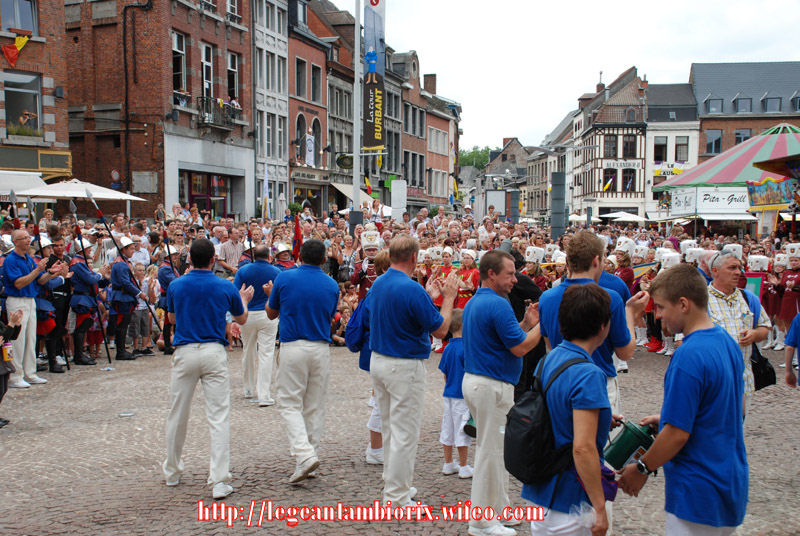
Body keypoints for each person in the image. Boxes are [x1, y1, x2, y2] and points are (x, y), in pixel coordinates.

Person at [619, 264, 748, 536]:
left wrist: (641, 468)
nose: (658, 315)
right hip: (729, 481)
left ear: (683, 304)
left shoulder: (688, 355)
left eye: (661, 307)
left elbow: (677, 434)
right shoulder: (727, 342)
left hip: (697, 490)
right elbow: (737, 408)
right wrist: (668, 418)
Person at [368, 234, 459, 507]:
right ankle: (396, 497)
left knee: (390, 428)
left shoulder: (380, 282)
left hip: (380, 360)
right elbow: (441, 330)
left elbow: (404, 312)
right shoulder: (410, 288)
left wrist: (428, 297)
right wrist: (448, 298)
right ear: (414, 257)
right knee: (404, 432)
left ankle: (395, 484)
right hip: (403, 365)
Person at [163, 238, 254, 500]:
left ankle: (172, 471)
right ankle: (219, 479)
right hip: (214, 350)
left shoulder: (176, 284)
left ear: (190, 259)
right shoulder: (224, 286)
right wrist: (244, 299)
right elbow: (241, 318)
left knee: (177, 413)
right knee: (218, 416)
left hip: (185, 349)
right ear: (213, 260)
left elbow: (171, 318)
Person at [521, 284, 615, 536]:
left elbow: (556, 410)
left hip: (542, 487)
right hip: (569, 496)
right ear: (602, 326)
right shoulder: (589, 373)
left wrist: (600, 417)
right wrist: (600, 507)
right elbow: (583, 448)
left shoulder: (549, 359)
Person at [462, 249, 542, 536]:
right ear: (491, 274)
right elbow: (520, 347)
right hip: (490, 385)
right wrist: (543, 326)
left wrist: (527, 325)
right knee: (490, 453)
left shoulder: (477, 301)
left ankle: (499, 510)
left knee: (495, 451)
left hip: (482, 382)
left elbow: (508, 339)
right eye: (509, 274)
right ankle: (482, 521)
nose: (515, 279)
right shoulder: (497, 304)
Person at [538, 231, 647, 415]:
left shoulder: (547, 298)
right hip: (599, 382)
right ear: (596, 261)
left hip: (559, 382)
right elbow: (625, 352)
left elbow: (550, 343)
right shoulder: (610, 298)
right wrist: (630, 313)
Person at [266, 239, 339, 483]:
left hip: (293, 344)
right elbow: (330, 316)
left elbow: (271, 313)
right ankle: (308, 456)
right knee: (314, 405)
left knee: (289, 403)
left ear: (299, 257)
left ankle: (304, 454)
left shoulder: (285, 278)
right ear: (323, 259)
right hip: (320, 346)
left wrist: (269, 295)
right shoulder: (331, 284)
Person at [706, 250, 769, 419]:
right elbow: (682, 340)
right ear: (715, 271)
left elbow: (765, 327)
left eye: (739, 268)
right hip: (712, 380)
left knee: (738, 428)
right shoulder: (700, 300)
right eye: (732, 268)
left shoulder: (748, 298)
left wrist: (755, 334)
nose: (738, 272)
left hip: (743, 379)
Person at [3, 229, 66, 387]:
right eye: (23, 238)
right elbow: (19, 283)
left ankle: (29, 373)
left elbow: (40, 280)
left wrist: (50, 273)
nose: (27, 240)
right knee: (18, 340)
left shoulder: (29, 259)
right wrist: (37, 270)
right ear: (15, 242)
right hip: (17, 300)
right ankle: (15, 376)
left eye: (27, 237)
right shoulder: (11, 260)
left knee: (31, 338)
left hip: (30, 300)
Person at [234, 245, 280, 406]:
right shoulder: (276, 272)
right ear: (269, 256)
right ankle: (264, 394)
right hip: (267, 314)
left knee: (248, 350)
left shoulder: (243, 271)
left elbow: (236, 293)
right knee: (266, 353)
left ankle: (248, 388)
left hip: (248, 314)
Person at [438, 309, 473, 479]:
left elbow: (444, 373)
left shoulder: (448, 348)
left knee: (448, 427)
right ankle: (464, 466)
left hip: (449, 393)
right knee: (462, 429)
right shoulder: (467, 348)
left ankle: (448, 462)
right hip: (462, 395)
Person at [69, 238, 111, 365]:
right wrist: (100, 274)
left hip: (86, 297)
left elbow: (94, 281)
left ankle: (80, 354)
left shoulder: (81, 263)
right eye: (88, 248)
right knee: (81, 327)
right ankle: (78, 355)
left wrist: (103, 276)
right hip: (82, 298)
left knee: (84, 326)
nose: (90, 250)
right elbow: (90, 279)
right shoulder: (78, 263)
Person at [110, 237, 147, 361]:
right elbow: (125, 282)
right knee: (121, 324)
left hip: (124, 296)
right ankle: (120, 351)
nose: (133, 251)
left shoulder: (123, 262)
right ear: (123, 250)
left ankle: (122, 350)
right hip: (122, 297)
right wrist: (139, 293)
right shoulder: (121, 264)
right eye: (131, 249)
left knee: (123, 324)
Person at [0, 310, 24, 427]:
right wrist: (11, 324)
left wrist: (16, 325)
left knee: (3, 388)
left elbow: (10, 336)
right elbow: (3, 336)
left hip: (3, 360)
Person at [157, 246, 181, 355]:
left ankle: (172, 344)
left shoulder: (170, 266)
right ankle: (168, 346)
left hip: (171, 296)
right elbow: (175, 282)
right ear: (168, 256)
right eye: (174, 255)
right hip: (168, 297)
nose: (176, 257)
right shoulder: (165, 268)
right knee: (168, 322)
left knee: (172, 322)